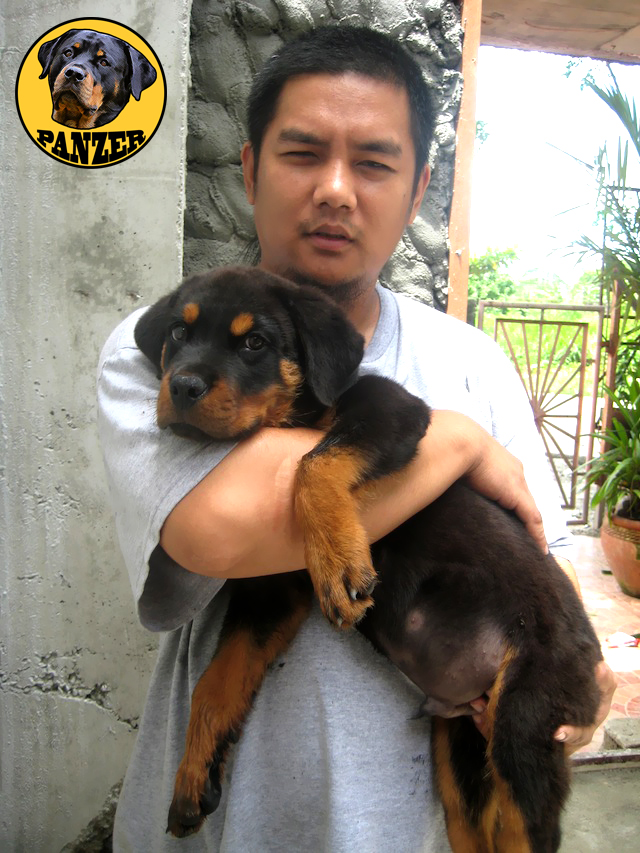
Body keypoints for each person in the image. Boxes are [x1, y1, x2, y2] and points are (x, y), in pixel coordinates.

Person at [97, 25, 615, 853]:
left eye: (373, 163)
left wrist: (579, 683)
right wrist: (462, 445)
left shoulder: (474, 363)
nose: (335, 190)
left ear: (417, 193)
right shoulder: (156, 356)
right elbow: (224, 533)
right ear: (250, 169)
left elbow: (538, 557)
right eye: (303, 153)